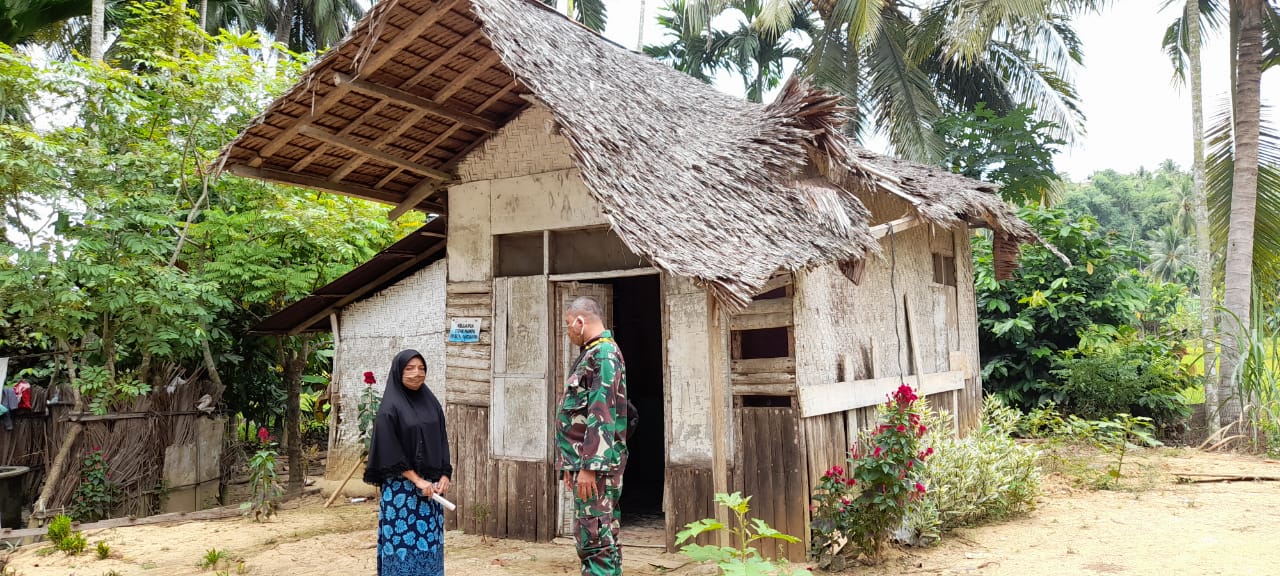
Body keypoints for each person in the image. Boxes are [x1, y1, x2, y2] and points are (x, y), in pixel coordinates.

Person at [557, 296, 630, 576]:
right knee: (601, 533)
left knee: (594, 536)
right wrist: (570, 464)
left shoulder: (603, 354)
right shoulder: (593, 353)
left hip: (596, 469)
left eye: (568, 325)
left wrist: (589, 467)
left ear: (580, 321)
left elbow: (602, 413)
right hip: (587, 465)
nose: (568, 332)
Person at [363, 350, 452, 576]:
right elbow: (390, 450)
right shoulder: (389, 409)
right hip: (402, 495)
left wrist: (444, 475)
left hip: (430, 493)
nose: (417, 373)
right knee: (403, 549)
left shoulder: (431, 404)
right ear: (398, 372)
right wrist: (417, 480)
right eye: (410, 368)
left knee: (430, 548)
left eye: (421, 368)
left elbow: (441, 440)